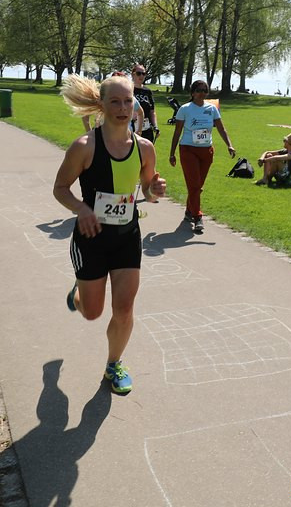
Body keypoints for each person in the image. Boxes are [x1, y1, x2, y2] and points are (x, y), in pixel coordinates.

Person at [53, 73, 167, 394]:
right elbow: (60, 189)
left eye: (127, 101)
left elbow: (146, 188)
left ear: (135, 105)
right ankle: (79, 292)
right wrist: (81, 208)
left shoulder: (144, 149)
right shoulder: (84, 147)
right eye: (114, 101)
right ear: (101, 105)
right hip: (91, 239)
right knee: (93, 312)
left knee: (125, 308)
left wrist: (154, 190)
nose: (122, 107)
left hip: (127, 237)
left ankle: (113, 364)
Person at [168, 80, 236, 234]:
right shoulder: (185, 109)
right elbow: (177, 132)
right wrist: (172, 153)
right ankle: (198, 217)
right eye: (198, 90)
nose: (202, 93)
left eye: (205, 90)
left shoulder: (212, 108)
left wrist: (229, 145)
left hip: (206, 151)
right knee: (195, 185)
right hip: (188, 150)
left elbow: (220, 128)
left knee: (197, 186)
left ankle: (188, 211)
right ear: (192, 93)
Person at [131, 64, 159, 142]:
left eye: (144, 74)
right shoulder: (128, 89)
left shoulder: (148, 91)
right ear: (133, 74)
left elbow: (152, 111)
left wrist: (155, 126)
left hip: (147, 128)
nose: (141, 76)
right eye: (138, 73)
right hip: (131, 127)